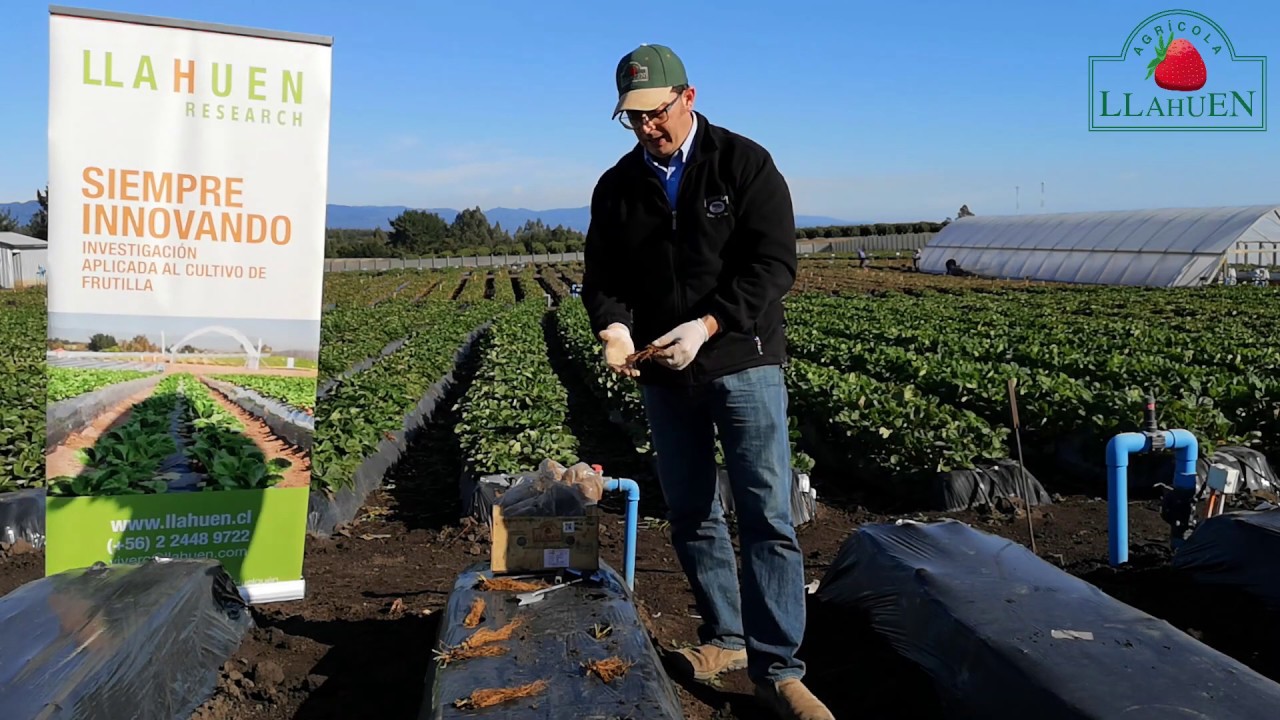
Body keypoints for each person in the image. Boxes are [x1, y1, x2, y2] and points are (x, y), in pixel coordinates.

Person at [581, 43, 833, 720]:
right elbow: (603, 279)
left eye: (654, 113)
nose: (645, 128)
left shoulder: (742, 164)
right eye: (631, 118)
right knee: (691, 510)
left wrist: (709, 325)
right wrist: (614, 330)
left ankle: (779, 669)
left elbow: (774, 263)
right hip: (665, 374)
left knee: (766, 515)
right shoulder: (617, 187)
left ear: (687, 98)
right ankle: (726, 637)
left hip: (742, 362)